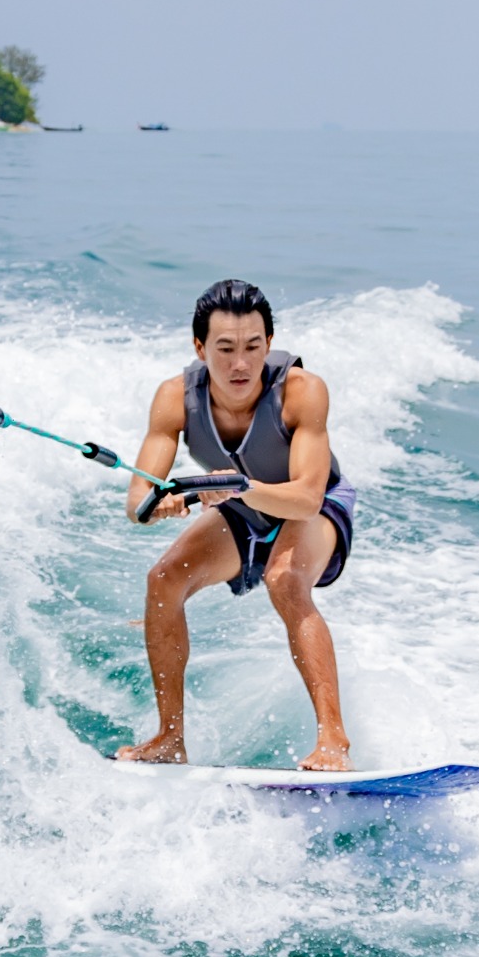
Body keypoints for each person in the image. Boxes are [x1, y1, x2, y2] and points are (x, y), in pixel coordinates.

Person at [115, 278, 357, 772]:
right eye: (224, 349)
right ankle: (169, 739)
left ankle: (334, 741)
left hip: (311, 505)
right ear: (200, 347)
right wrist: (157, 504)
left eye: (252, 347)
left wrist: (235, 486)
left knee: (285, 580)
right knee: (163, 581)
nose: (240, 364)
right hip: (242, 507)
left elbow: (307, 498)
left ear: (269, 343)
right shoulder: (174, 398)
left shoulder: (301, 392)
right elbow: (137, 498)